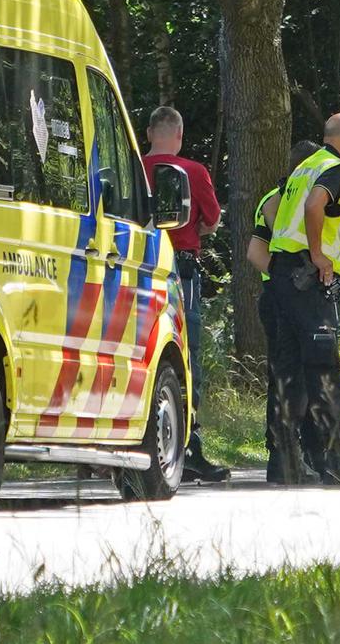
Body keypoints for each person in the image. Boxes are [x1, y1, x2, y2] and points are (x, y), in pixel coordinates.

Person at [265, 113, 340, 485]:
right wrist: (317, 255)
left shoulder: (303, 168)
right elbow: (315, 207)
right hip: (307, 279)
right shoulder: (335, 168)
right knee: (325, 367)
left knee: (288, 369)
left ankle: (284, 461)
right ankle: (336, 459)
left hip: (283, 276)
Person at [140, 107, 228, 484]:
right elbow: (212, 220)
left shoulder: (129, 165)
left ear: (148, 133)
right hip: (180, 267)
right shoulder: (194, 172)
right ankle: (187, 445)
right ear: (179, 135)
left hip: (135, 262)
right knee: (186, 353)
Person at [251, 139, 321, 485]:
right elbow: (256, 251)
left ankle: (301, 451)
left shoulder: (290, 196)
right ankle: (284, 454)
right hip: (286, 297)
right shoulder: (283, 199)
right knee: (290, 375)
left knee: (296, 374)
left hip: (286, 294)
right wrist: (286, 281)